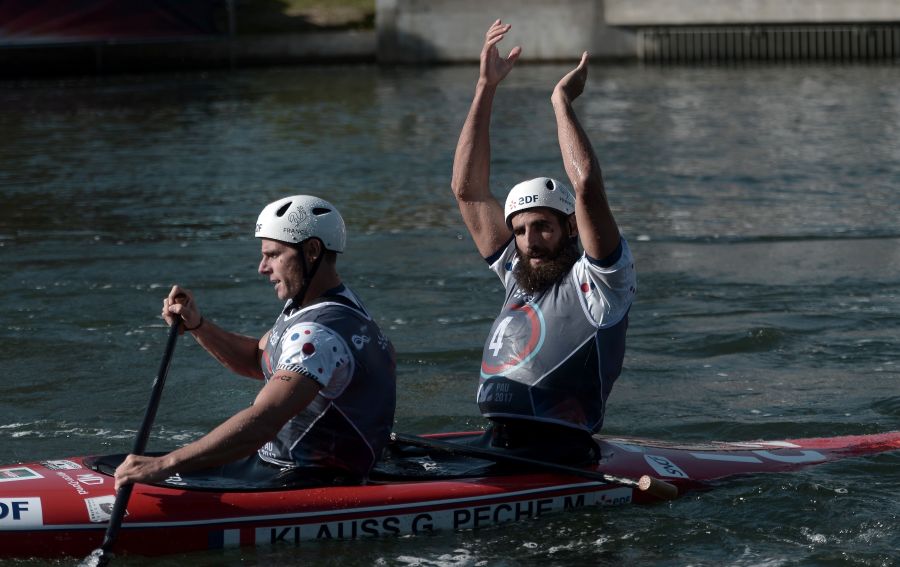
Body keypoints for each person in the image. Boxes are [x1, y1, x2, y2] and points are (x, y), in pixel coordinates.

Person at [114, 195, 396, 489]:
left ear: (312, 250)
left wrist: (165, 464)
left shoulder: (316, 335)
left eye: (273, 255)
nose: (262, 267)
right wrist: (198, 325)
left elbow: (263, 421)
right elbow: (256, 359)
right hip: (283, 466)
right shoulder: (326, 304)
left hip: (308, 478)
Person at [450, 20, 636, 464]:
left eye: (543, 227)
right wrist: (485, 87)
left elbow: (587, 184)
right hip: (500, 443)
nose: (529, 242)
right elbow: (468, 191)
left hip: (558, 452)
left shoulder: (602, 283)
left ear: (570, 228)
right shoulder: (517, 273)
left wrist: (561, 102)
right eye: (519, 230)